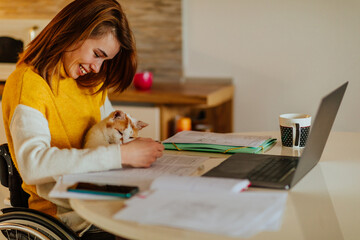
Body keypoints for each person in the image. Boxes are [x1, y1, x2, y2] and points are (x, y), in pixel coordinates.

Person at [1, 0, 164, 239]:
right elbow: (34, 165)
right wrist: (122, 155)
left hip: (103, 201)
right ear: (73, 33)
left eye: (105, 61)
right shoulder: (29, 83)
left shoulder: (91, 83)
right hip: (69, 219)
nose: (98, 68)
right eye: (97, 54)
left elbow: (108, 142)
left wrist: (131, 146)